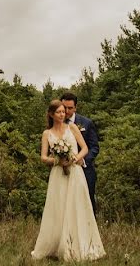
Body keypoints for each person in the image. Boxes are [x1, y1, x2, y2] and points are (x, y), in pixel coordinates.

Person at [31, 100, 105, 261]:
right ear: (51, 114)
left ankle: (78, 244)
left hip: (75, 172)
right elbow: (43, 157)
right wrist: (57, 161)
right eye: (58, 112)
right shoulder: (47, 133)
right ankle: (57, 245)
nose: (62, 114)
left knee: (76, 206)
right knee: (58, 207)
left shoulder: (72, 128)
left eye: (63, 111)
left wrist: (75, 158)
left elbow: (85, 147)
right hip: (58, 174)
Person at [62, 92, 99, 213]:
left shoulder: (86, 123)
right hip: (64, 171)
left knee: (87, 202)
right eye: (64, 107)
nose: (67, 111)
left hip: (84, 169)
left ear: (75, 108)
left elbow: (94, 147)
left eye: (70, 108)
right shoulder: (57, 124)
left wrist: (82, 160)